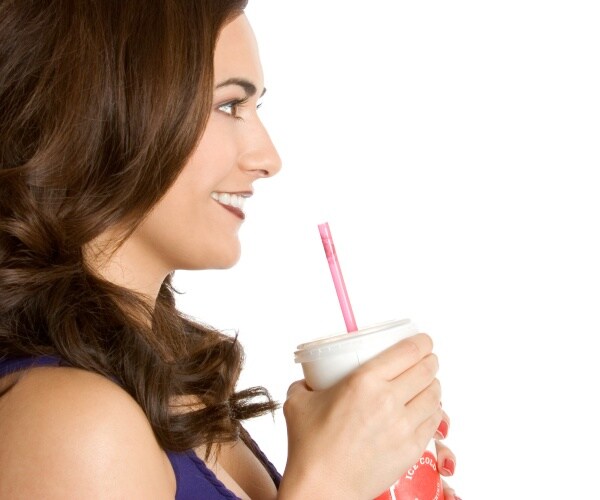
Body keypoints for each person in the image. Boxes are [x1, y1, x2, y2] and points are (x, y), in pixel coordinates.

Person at [0, 1, 460, 498]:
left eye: (255, 106)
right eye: (228, 105)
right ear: (99, 112)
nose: (268, 158)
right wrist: (329, 483)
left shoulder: (169, 384)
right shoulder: (73, 426)